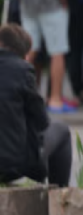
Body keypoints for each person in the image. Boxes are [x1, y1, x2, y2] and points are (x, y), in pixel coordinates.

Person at [0, 24, 72, 188]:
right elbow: (42, 121)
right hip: (12, 165)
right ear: (24, 55)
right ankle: (58, 196)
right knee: (61, 131)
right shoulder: (22, 69)